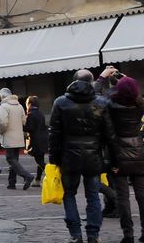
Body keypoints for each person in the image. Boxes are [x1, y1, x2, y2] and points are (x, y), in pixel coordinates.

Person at [49, 69, 116, 243]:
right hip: (93, 156)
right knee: (93, 196)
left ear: (73, 81)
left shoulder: (61, 102)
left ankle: (75, 234)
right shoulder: (101, 103)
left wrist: (54, 159)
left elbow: (54, 133)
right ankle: (93, 234)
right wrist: (112, 159)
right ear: (91, 81)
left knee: (69, 194)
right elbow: (110, 134)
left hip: (68, 156)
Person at [109, 76, 144, 243]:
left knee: (123, 197)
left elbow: (102, 96)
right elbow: (136, 94)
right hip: (138, 151)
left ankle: (128, 235)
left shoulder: (111, 105)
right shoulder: (140, 105)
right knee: (143, 196)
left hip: (118, 154)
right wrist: (124, 77)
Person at [0, 87, 35, 190]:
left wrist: (0, 131)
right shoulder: (19, 106)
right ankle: (11, 183)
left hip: (8, 137)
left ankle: (27, 176)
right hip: (18, 137)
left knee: (10, 159)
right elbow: (24, 121)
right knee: (15, 161)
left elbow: (3, 123)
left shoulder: (3, 107)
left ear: (3, 96)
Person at [24, 96, 48, 186]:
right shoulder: (40, 114)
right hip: (43, 139)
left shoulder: (30, 114)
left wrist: (22, 126)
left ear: (29, 104)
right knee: (40, 159)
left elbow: (29, 128)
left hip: (35, 140)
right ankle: (37, 180)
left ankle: (51, 173)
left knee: (39, 161)